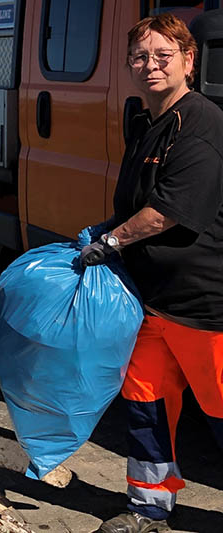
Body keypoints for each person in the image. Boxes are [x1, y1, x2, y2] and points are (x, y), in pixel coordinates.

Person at [80, 13, 223, 533]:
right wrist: (108, 226)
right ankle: (148, 506)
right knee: (146, 403)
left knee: (221, 409)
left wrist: (110, 242)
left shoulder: (201, 122)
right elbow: (138, 201)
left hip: (203, 308)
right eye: (140, 57)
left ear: (189, 60)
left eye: (163, 56)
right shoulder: (148, 121)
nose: (150, 66)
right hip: (151, 301)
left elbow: (168, 211)